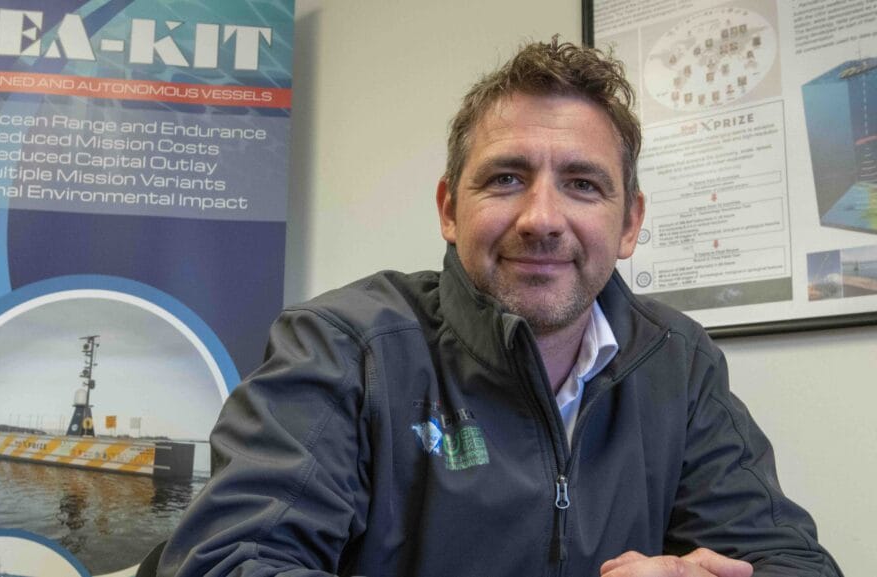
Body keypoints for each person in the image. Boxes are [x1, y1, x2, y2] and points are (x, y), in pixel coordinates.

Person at [156, 37, 842, 577]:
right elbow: (228, 562)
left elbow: (795, 563)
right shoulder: (343, 346)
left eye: (582, 183)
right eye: (508, 177)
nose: (543, 218)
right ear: (451, 208)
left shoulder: (680, 364)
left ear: (629, 223)